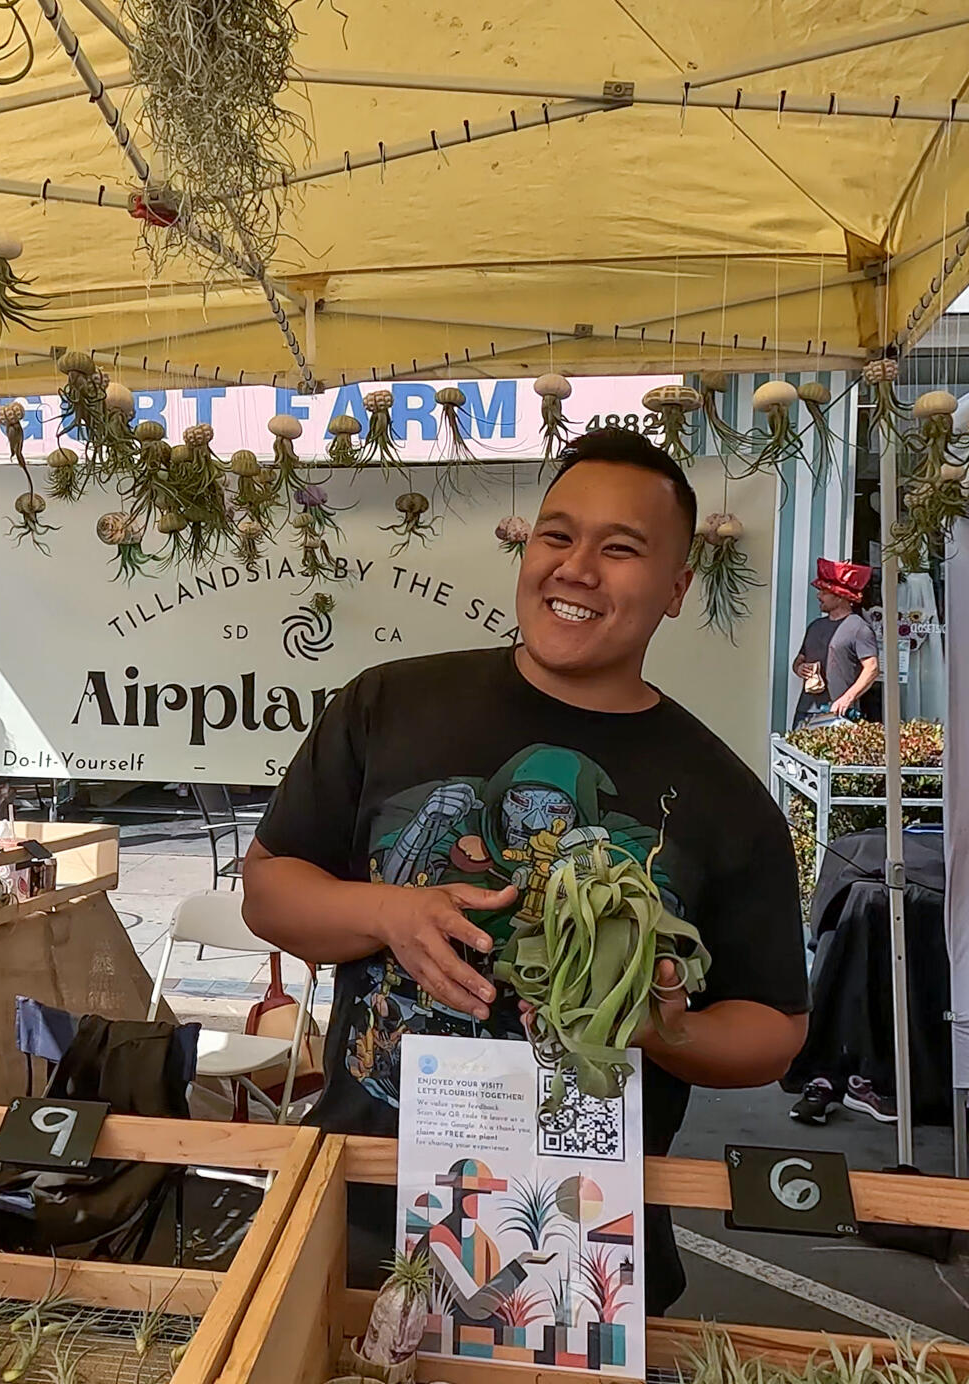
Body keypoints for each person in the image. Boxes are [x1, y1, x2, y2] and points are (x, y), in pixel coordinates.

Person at [242, 428, 808, 1316]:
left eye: (620, 549)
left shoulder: (723, 798)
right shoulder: (390, 704)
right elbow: (270, 888)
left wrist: (660, 1029)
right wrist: (390, 913)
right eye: (557, 535)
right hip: (360, 1223)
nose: (576, 568)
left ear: (676, 588)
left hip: (579, 1255)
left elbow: (774, 1027)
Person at [791, 559, 878, 727]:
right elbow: (799, 659)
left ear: (839, 596)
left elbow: (872, 668)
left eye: (824, 592)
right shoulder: (815, 626)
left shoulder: (858, 627)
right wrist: (799, 668)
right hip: (806, 710)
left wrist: (848, 698)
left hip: (840, 711)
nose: (819, 596)